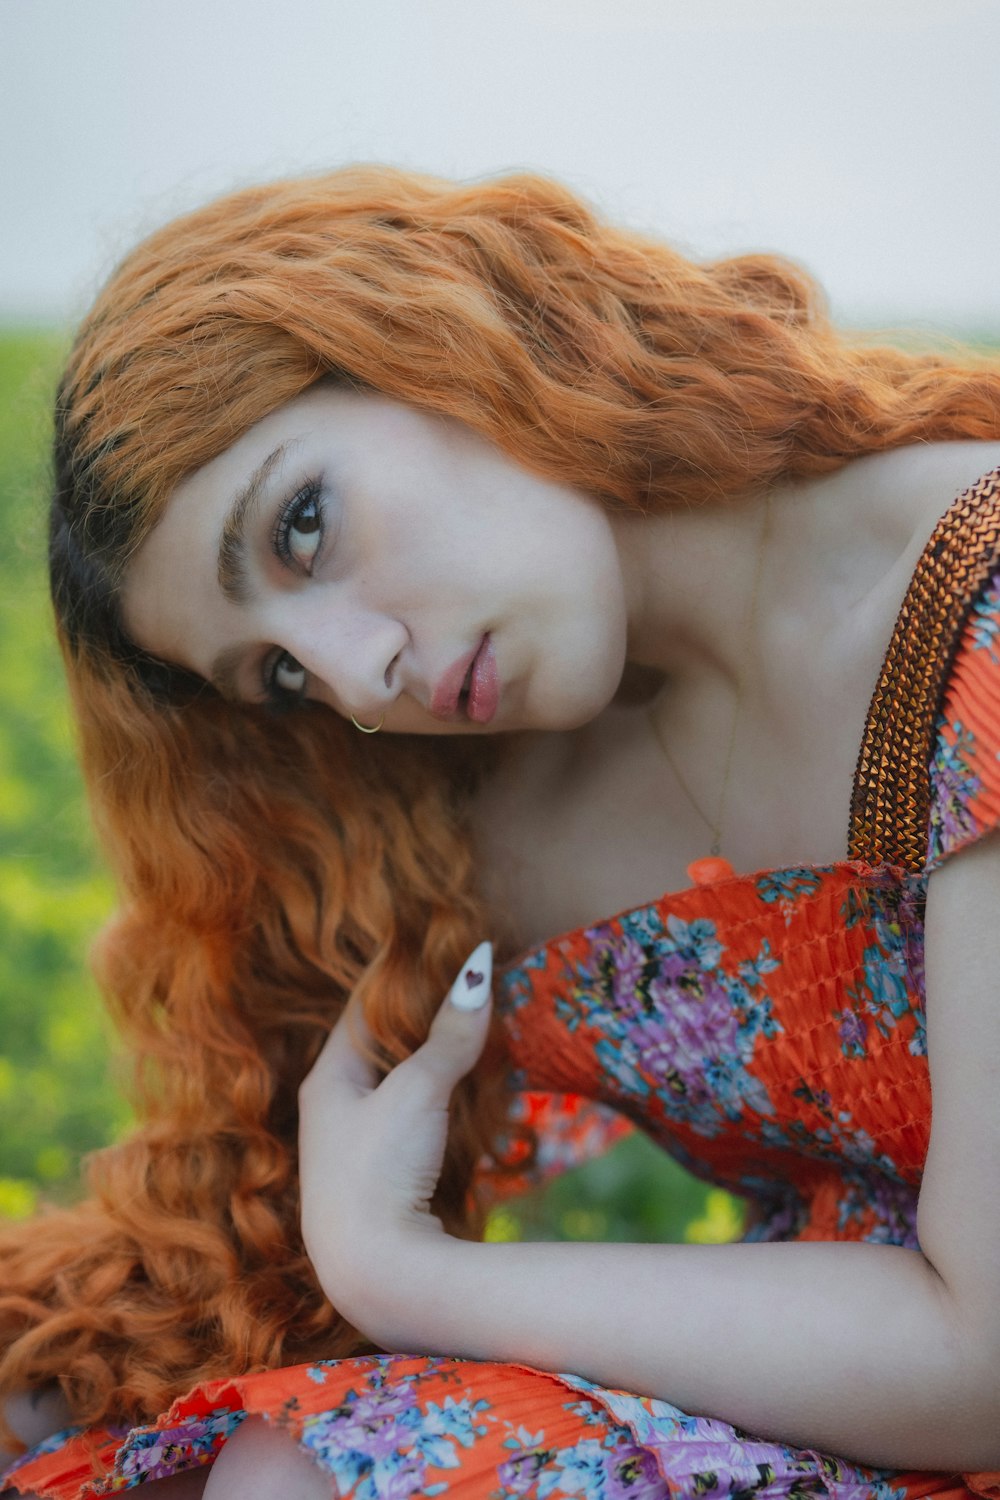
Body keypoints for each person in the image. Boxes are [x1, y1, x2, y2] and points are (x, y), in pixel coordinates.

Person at [1, 164, 999, 1500]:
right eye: (280, 676)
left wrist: (412, 1275)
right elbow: (246, 1207)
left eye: (304, 528)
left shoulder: (973, 601)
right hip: (832, 1401)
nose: (359, 681)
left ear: (435, 334)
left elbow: (982, 1358)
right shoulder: (468, 812)